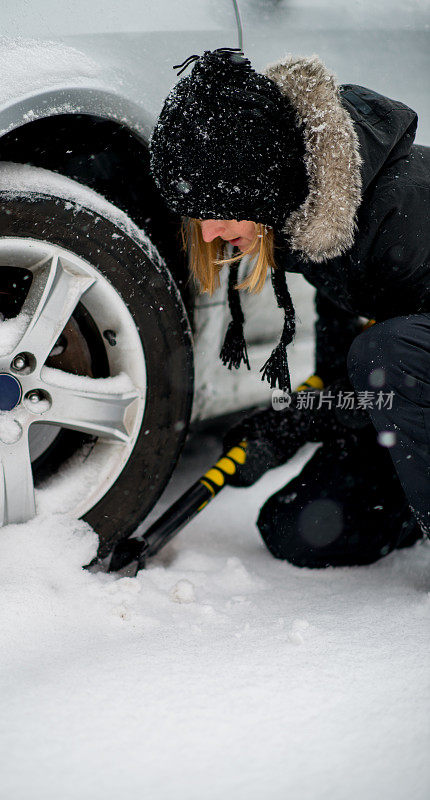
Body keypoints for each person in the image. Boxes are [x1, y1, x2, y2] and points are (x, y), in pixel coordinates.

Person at [148, 47, 430, 567]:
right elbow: (346, 376)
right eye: (197, 214)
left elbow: (394, 371)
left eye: (220, 208)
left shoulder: (400, 212)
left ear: (260, 182)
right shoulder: (315, 228)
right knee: (301, 529)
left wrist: (315, 412)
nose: (209, 233)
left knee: (387, 353)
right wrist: (288, 422)